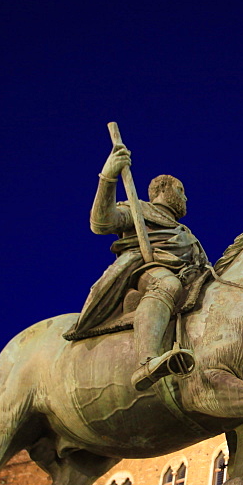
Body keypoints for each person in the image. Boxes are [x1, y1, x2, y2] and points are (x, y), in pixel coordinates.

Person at [64, 144, 209, 391]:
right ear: (163, 189)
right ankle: (147, 362)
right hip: (148, 271)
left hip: (189, 277)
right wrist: (108, 177)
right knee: (167, 284)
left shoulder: (185, 233)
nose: (186, 198)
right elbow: (101, 222)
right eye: (181, 191)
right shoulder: (138, 208)